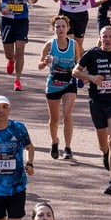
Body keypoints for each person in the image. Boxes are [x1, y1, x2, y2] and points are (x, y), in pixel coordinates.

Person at [77, 23, 111, 197]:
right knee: (103, 144)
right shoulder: (91, 54)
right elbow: (75, 72)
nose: (108, 40)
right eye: (105, 37)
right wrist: (91, 77)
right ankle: (105, 153)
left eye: (110, 37)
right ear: (100, 38)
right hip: (97, 102)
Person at [40, 15, 79, 161]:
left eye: (63, 26)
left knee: (67, 114)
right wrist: (45, 62)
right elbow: (39, 65)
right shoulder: (49, 45)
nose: (60, 29)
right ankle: (55, 141)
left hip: (69, 83)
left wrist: (81, 74)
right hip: (54, 83)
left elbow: (78, 63)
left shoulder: (74, 44)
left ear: (68, 28)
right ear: (53, 28)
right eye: (57, 26)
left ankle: (68, 147)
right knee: (54, 118)